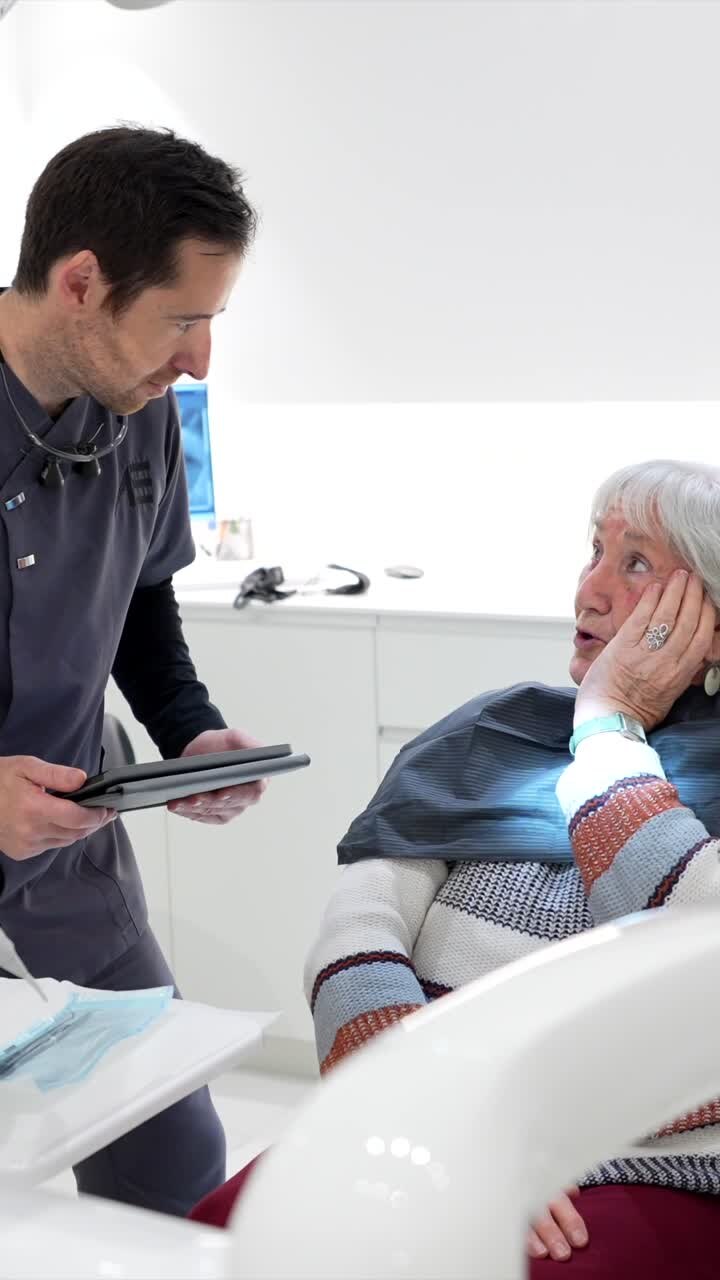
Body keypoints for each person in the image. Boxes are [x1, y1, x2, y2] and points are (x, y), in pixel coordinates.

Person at [191, 460, 720, 1277]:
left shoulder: (607, 751)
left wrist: (610, 727)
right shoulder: (490, 732)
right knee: (217, 1235)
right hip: (421, 1127)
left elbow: (696, 958)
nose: (590, 590)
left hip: (638, 1158)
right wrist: (431, 1130)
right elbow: (354, 935)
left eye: (638, 563)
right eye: (593, 551)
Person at [0, 125, 265, 1217]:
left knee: (165, 1144)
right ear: (79, 283)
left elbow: (140, 598)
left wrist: (187, 730)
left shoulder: (139, 409)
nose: (198, 358)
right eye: (183, 319)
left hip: (66, 831)